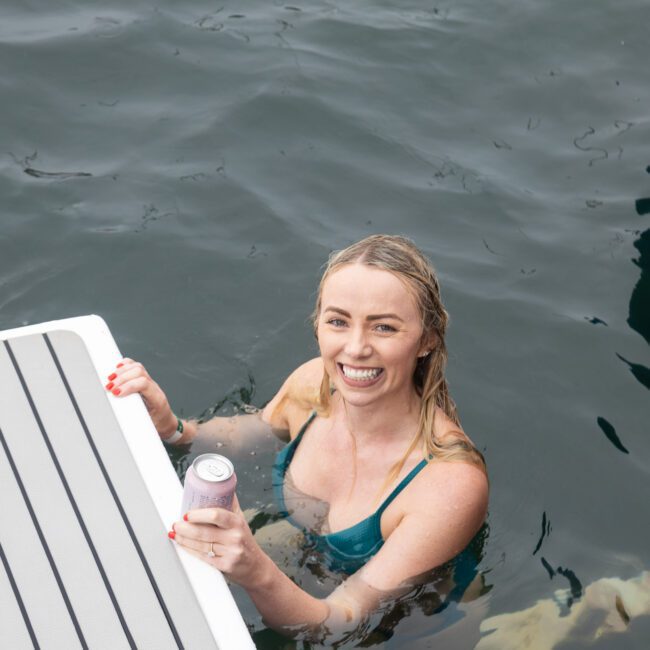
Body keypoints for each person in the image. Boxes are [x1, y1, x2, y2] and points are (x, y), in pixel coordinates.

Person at [105, 234, 489, 642]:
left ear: (427, 339)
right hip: (308, 567)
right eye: (338, 321)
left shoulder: (448, 484)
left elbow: (341, 625)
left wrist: (253, 569)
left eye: (384, 327)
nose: (356, 348)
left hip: (419, 627)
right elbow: (247, 434)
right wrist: (173, 427)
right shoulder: (315, 386)